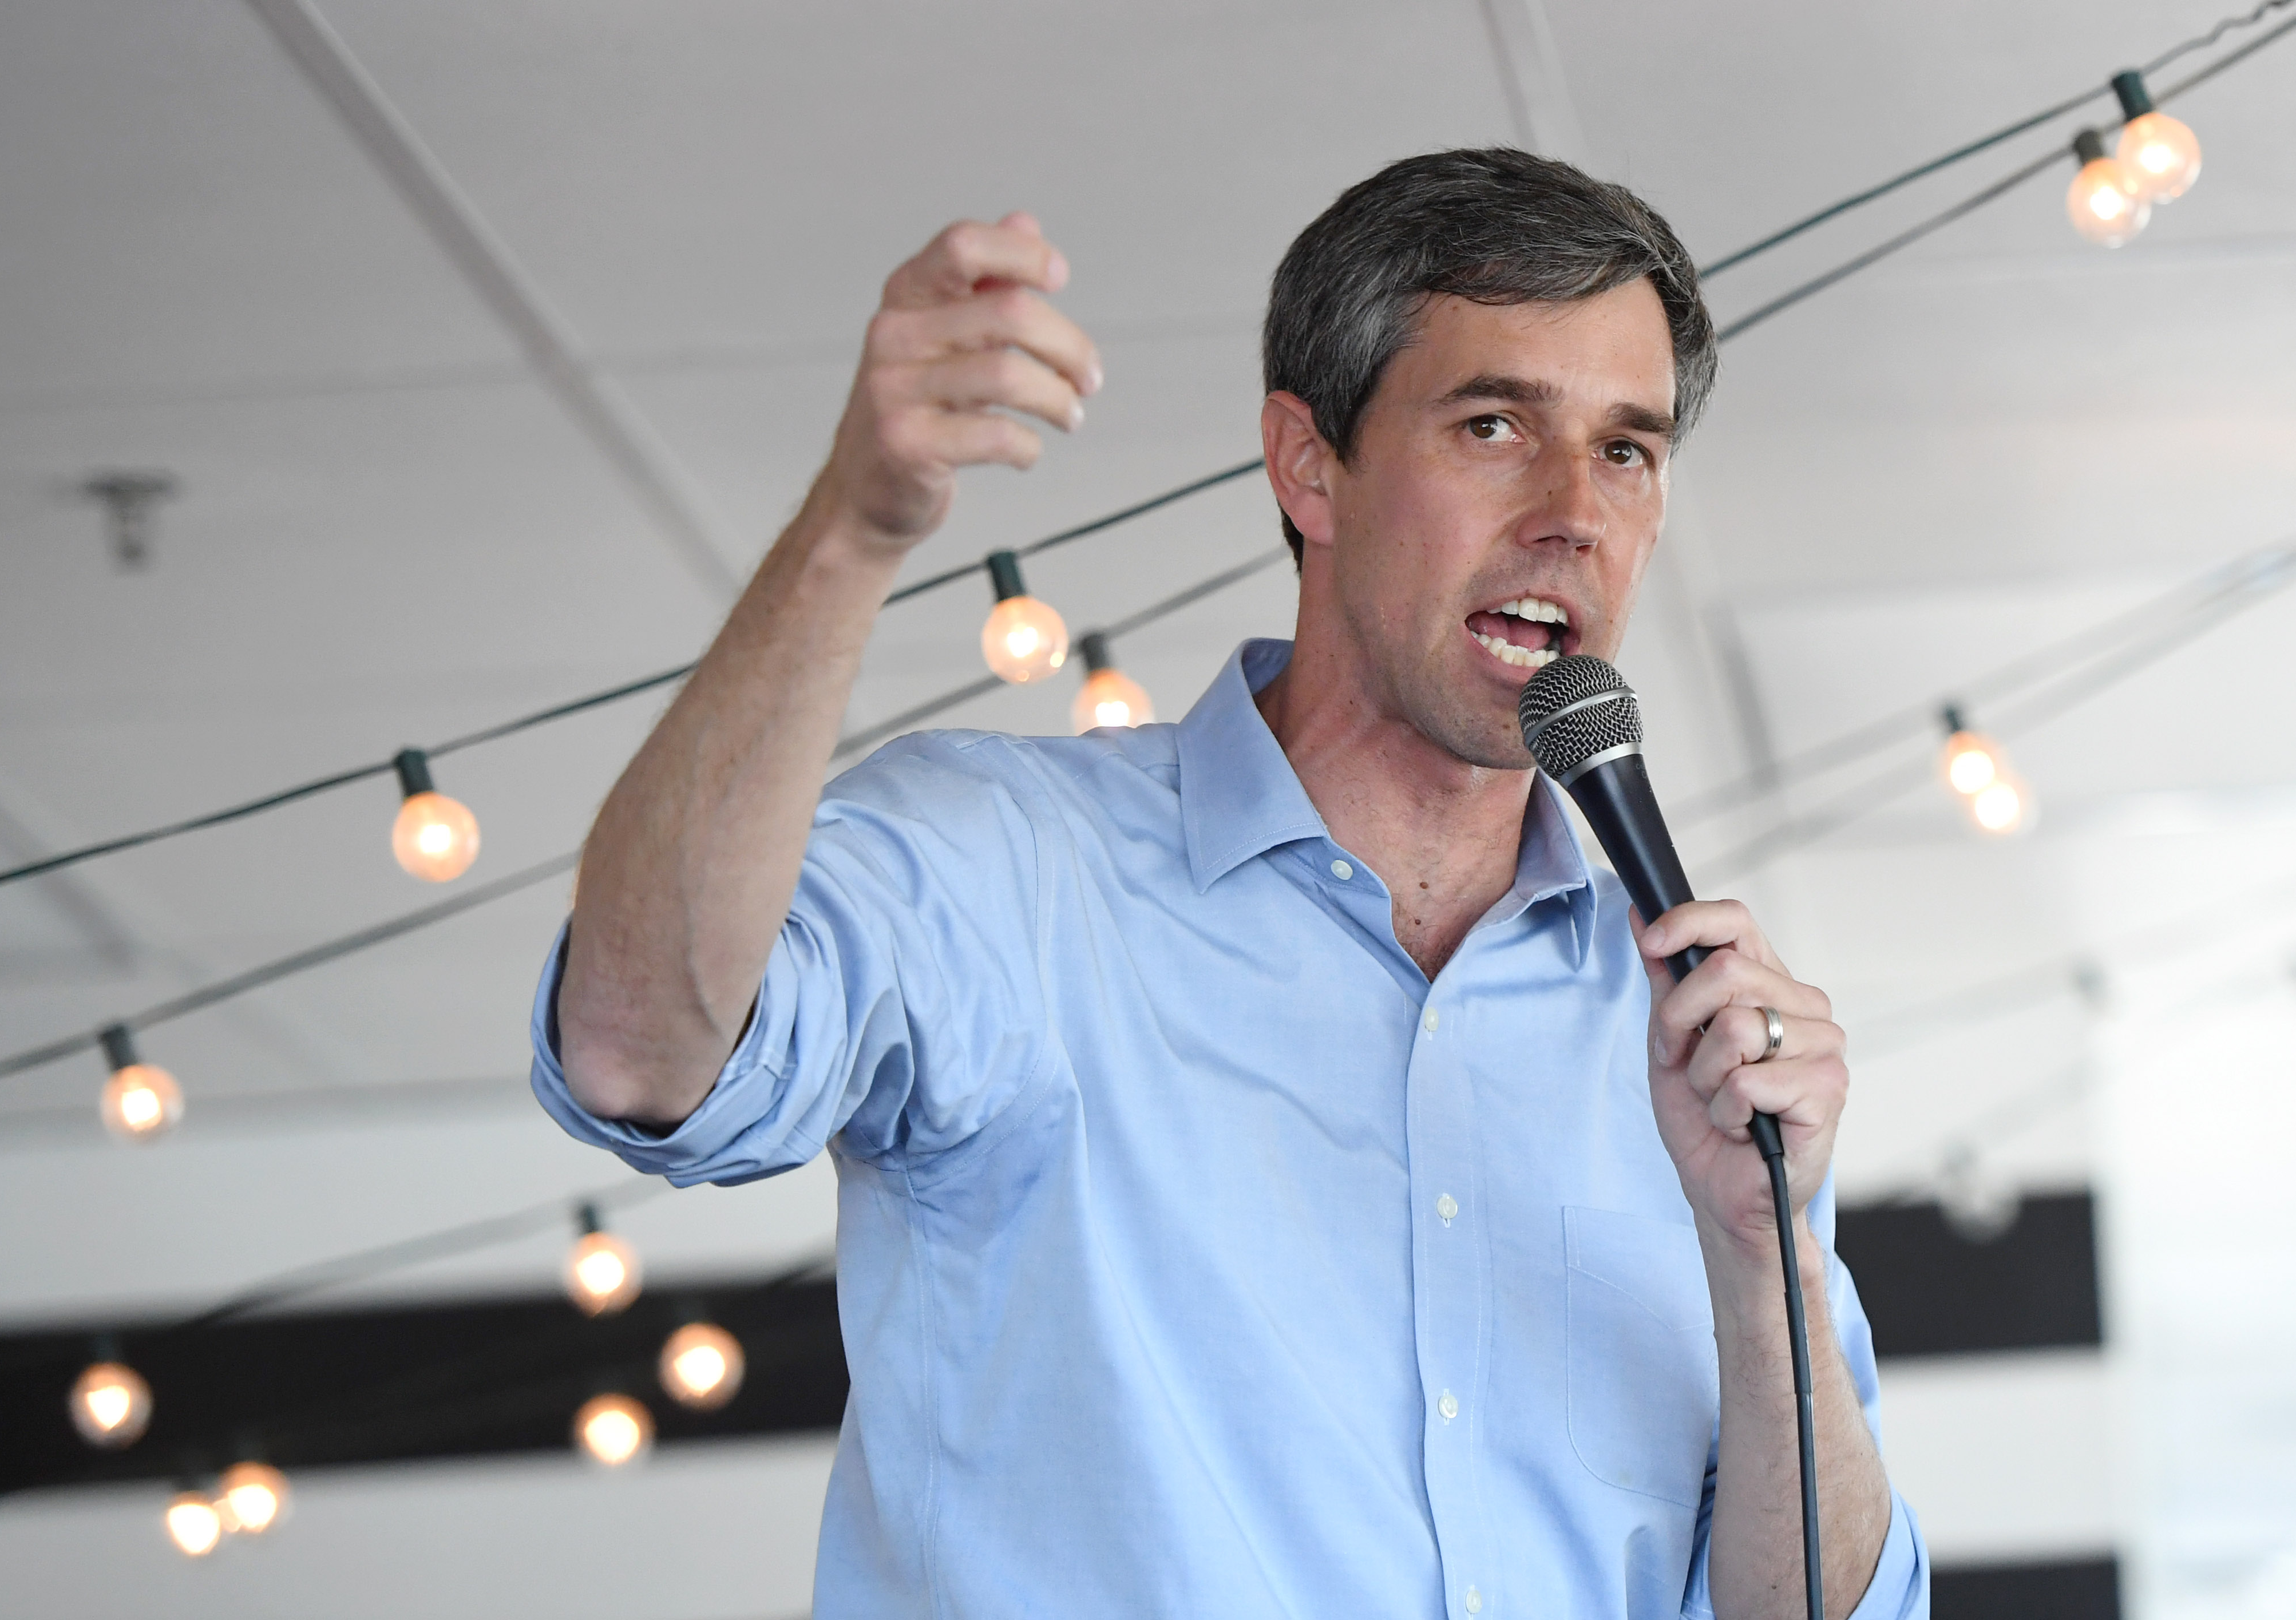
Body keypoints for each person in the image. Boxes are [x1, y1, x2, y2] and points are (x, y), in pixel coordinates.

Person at [532, 148, 1927, 1619]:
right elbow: (637, 1046)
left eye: (1626, 450)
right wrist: (852, 531)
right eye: (1495, 424)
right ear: (1306, 463)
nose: (1574, 511)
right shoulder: (1006, 872)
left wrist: (1758, 1249)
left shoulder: (1693, 1047)